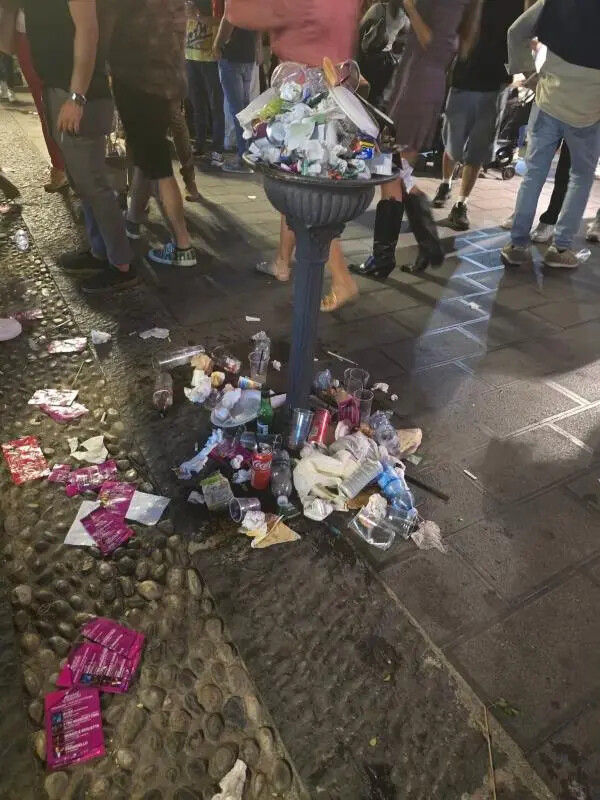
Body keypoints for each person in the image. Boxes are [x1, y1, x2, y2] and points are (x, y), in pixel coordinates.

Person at [225, 0, 363, 312]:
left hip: (305, 96)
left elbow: (239, 12)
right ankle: (282, 262)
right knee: (297, 181)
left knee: (309, 197)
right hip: (332, 88)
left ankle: (341, 279)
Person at [4, 0, 137, 294]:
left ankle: (122, 266)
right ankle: (99, 251)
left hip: (80, 93)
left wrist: (77, 97)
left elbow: (88, 30)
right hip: (57, 88)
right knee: (81, 181)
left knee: (94, 183)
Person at [352, 0, 483, 279]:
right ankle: (427, 247)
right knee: (400, 174)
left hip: (418, 91)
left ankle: (383, 259)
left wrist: (411, 6)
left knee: (390, 173)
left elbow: (437, 47)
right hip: (414, 86)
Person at [501, 0, 600, 270]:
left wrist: (529, 74)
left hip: (549, 100)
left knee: (534, 172)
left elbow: (515, 32)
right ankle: (561, 248)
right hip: (590, 111)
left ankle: (517, 245)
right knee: (580, 177)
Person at [108, 0, 197, 269]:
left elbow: (116, 26)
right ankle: (133, 221)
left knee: (157, 163)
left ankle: (183, 245)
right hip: (168, 78)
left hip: (138, 80)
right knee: (147, 154)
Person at [431, 0, 526, 231]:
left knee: (477, 150)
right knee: (452, 142)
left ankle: (461, 204)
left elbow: (522, 32)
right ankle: (446, 183)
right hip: (463, 79)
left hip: (494, 85)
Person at [14, 12, 68, 192]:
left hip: (64, 30)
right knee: (45, 106)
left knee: (58, 103)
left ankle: (68, 167)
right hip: (30, 33)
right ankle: (61, 166)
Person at [213, 18, 256, 173]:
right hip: (248, 56)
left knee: (237, 110)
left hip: (232, 56)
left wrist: (217, 44)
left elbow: (228, 18)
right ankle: (249, 152)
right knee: (245, 108)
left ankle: (242, 157)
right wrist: (257, 48)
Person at [185, 0, 225, 167]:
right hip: (190, 56)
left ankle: (218, 148)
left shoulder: (213, 3)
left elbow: (221, 19)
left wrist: (197, 16)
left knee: (215, 105)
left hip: (209, 58)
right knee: (197, 104)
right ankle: (199, 144)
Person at [358, 0, 409, 109]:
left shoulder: (378, 9)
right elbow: (410, 34)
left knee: (364, 93)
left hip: (373, 58)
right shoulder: (402, 16)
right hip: (384, 61)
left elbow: (361, 28)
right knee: (374, 95)